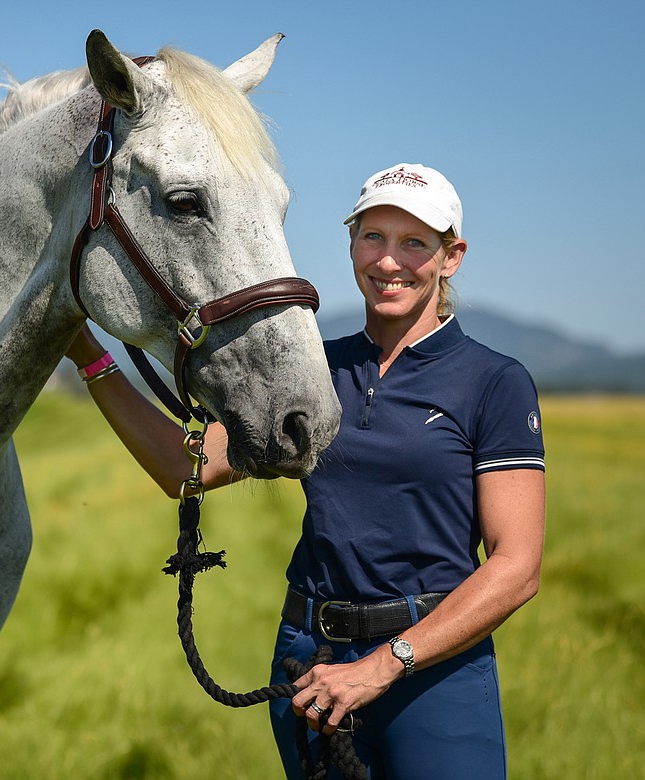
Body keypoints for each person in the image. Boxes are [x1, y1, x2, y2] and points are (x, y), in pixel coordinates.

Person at [65, 162, 546, 778]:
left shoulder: (495, 382)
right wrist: (90, 355)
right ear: (351, 243)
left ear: (451, 257)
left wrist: (383, 665)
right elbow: (184, 469)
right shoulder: (314, 371)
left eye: (415, 243)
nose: (389, 261)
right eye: (373, 237)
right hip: (310, 665)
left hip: (434, 673)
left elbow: (517, 568)